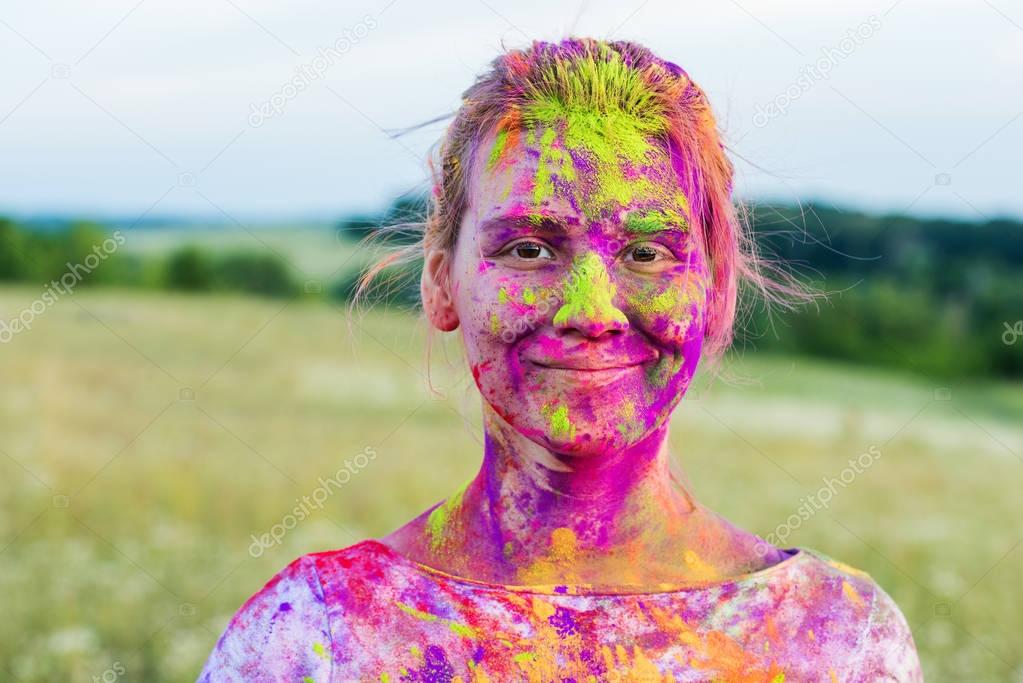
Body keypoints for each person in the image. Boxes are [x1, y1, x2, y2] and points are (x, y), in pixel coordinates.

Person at [198, 37, 922, 681]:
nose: (591, 311)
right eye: (529, 248)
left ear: (716, 291)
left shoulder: (834, 641)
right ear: (442, 281)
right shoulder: (315, 636)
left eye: (647, 252)